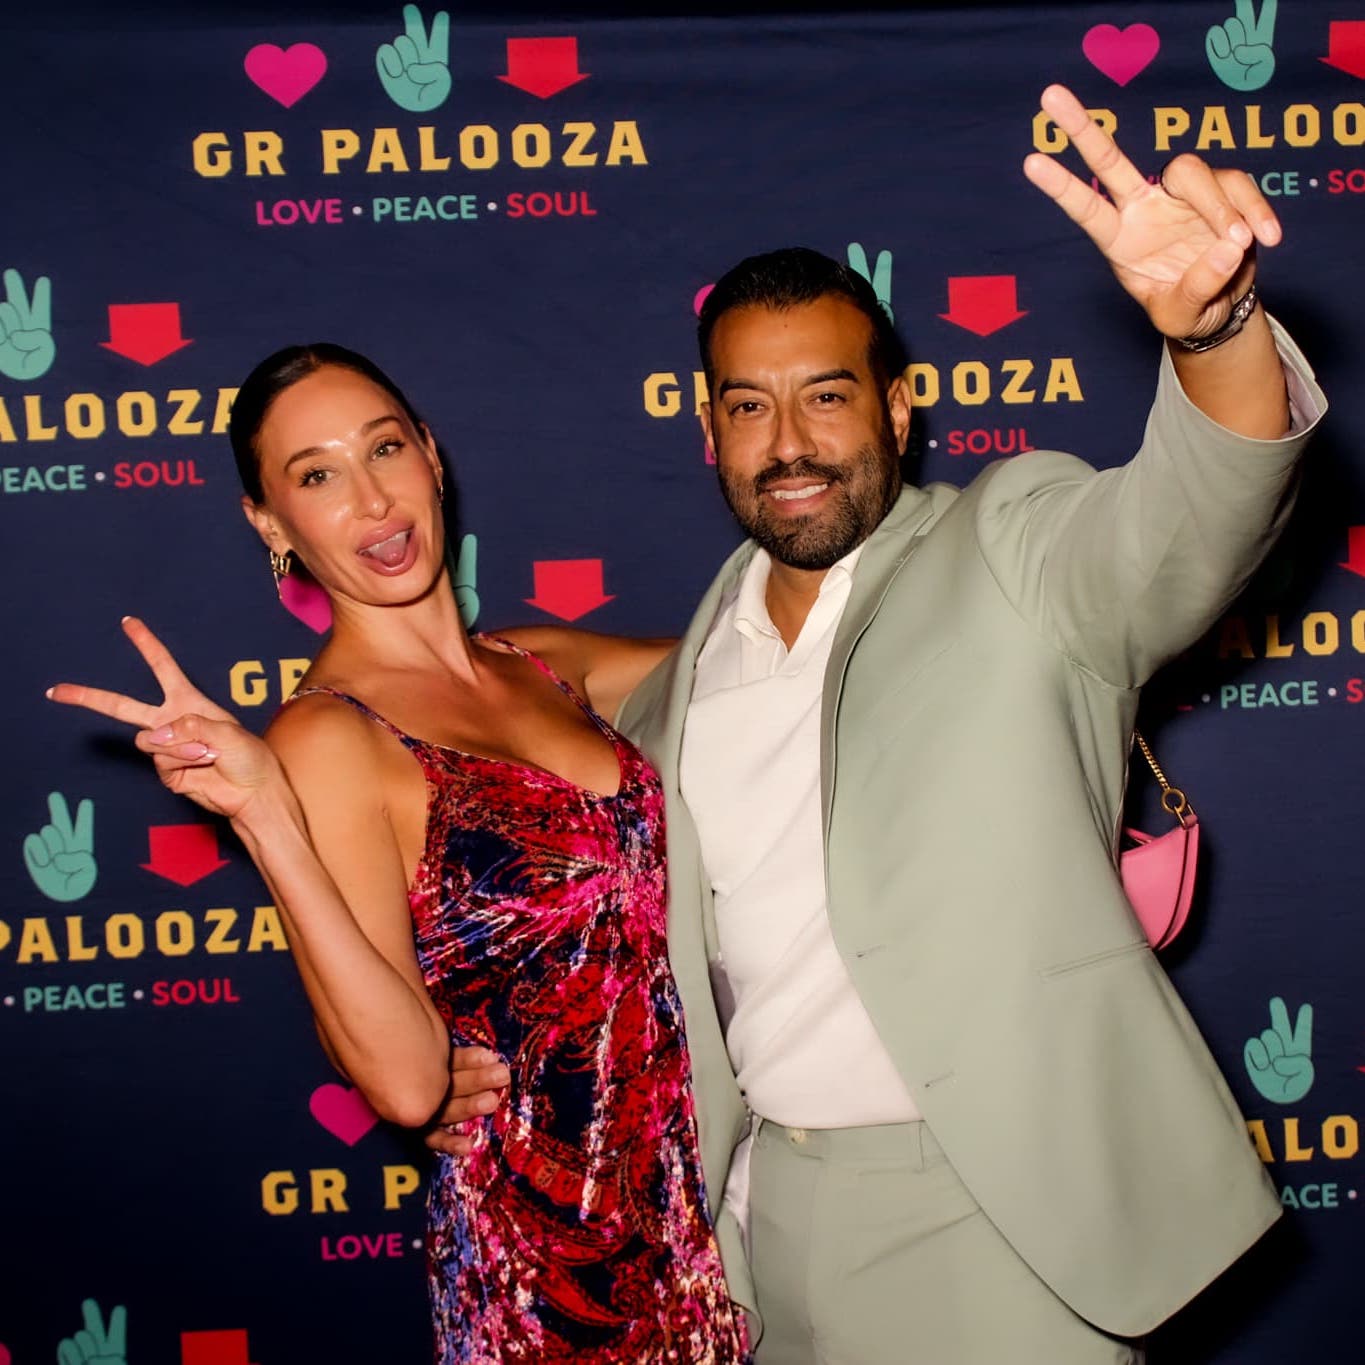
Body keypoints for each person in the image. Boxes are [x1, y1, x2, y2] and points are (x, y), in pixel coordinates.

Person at [432, 85, 1327, 1362]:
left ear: (898, 409)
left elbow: (1191, 522)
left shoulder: (1013, 546)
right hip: (758, 1223)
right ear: (708, 432)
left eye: (827, 396)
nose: (789, 444)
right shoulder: (683, 681)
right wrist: (471, 1072)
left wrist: (1217, 330)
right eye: (749, 405)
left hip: (1000, 1217)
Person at [48, 344, 747, 1364]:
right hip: (550, 1283)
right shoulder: (327, 738)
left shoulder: (547, 663)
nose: (372, 500)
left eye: (383, 449)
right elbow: (412, 1084)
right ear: (269, 523)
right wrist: (265, 815)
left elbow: (781, 658)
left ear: (430, 455)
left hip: (709, 1233)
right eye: (317, 475)